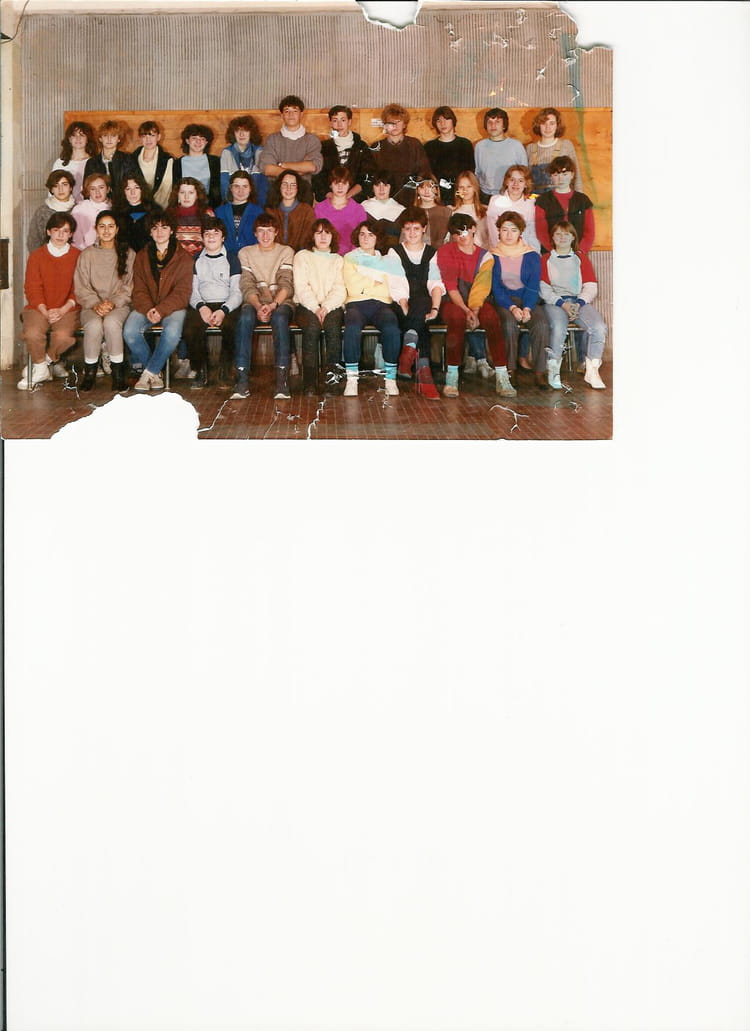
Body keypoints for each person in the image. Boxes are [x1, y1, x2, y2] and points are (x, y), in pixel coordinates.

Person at [436, 213, 515, 398]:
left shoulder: (485, 256)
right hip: (453, 301)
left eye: (464, 230)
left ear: (473, 228)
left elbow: (481, 287)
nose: (461, 236)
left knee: (492, 318)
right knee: (456, 319)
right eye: (457, 233)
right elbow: (451, 286)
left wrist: (475, 310)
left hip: (477, 301)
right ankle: (452, 377)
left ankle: (502, 376)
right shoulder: (445, 251)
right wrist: (466, 311)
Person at [468, 210, 550, 390]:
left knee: (541, 324)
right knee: (508, 324)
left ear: (520, 232)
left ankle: (540, 372)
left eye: (513, 230)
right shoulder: (492, 255)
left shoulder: (532, 255)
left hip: (528, 299)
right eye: (504, 229)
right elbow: (496, 288)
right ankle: (510, 371)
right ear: (498, 231)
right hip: (504, 300)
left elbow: (533, 286)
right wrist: (512, 307)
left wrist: (527, 308)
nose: (509, 234)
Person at [122, 211, 193, 393]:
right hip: (146, 306)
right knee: (130, 332)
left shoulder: (184, 257)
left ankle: (149, 373)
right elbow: (138, 289)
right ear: (150, 232)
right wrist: (148, 308)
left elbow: (183, 292)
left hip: (173, 307)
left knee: (172, 333)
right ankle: (155, 373)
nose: (159, 232)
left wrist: (161, 309)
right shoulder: (142, 256)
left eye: (164, 227)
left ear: (172, 231)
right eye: (155, 228)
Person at [232, 213, 295, 400]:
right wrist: (259, 306)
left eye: (269, 231)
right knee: (245, 318)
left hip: (281, 302)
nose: (265, 235)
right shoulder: (246, 253)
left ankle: (282, 381)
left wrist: (273, 305)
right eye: (261, 231)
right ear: (255, 233)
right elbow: (247, 284)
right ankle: (242, 380)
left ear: (276, 232)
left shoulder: (286, 251)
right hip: (255, 302)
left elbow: (287, 284)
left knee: (280, 318)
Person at [72, 209, 135, 392]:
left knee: (111, 323)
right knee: (93, 325)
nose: (106, 231)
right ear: (96, 229)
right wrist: (95, 304)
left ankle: (118, 374)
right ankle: (90, 373)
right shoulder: (87, 255)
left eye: (111, 226)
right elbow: (81, 286)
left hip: (119, 305)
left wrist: (113, 303)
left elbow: (129, 286)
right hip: (91, 306)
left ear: (117, 229)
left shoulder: (128, 253)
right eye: (102, 227)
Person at [539, 220, 606, 389]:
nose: (562, 237)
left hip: (578, 300)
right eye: (558, 234)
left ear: (573, 237)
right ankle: (554, 369)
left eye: (566, 234)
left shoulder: (580, 259)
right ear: (552, 237)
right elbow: (543, 289)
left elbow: (591, 286)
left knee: (599, 327)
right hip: (555, 302)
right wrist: (563, 304)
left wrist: (579, 303)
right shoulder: (545, 259)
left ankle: (592, 370)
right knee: (558, 327)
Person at [18, 211, 81, 389]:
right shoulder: (37, 256)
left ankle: (43, 364)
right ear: (48, 232)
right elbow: (32, 287)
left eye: (65, 231)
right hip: (39, 307)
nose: (60, 235)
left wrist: (62, 310)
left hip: (68, 308)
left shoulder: (78, 255)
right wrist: (44, 310)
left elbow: (79, 288)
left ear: (71, 234)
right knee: (32, 333)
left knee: (62, 337)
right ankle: (40, 367)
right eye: (56, 230)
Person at [341, 218, 403, 397]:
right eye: (362, 234)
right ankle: (352, 379)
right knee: (352, 327)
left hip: (381, 304)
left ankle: (390, 379)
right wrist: (376, 281)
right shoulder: (350, 258)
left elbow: (388, 288)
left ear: (377, 238)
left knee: (392, 328)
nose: (366, 238)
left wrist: (367, 281)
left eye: (370, 235)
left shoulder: (386, 260)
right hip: (356, 303)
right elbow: (352, 285)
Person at [388, 207, 443, 400]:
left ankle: (408, 354)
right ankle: (424, 375)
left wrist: (435, 309)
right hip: (400, 303)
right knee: (421, 323)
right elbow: (397, 284)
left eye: (416, 228)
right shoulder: (395, 252)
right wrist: (407, 309)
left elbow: (435, 284)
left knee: (423, 302)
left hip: (425, 304)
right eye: (408, 228)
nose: (412, 233)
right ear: (403, 230)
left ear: (424, 229)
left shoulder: (432, 253)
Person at [182, 218, 243, 389]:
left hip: (226, 304)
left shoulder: (232, 259)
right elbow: (192, 291)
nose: (211, 237)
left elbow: (237, 292)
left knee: (232, 327)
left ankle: (225, 371)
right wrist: (201, 307)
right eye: (207, 234)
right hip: (202, 304)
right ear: (202, 238)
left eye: (216, 233)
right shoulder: (195, 260)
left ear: (223, 237)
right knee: (190, 328)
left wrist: (224, 310)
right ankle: (200, 370)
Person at [292, 218, 347, 396]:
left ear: (332, 236)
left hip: (332, 306)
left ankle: (332, 383)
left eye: (327, 233)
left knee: (333, 328)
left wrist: (326, 307)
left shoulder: (338, 259)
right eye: (318, 233)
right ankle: (309, 383)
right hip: (306, 305)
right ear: (312, 236)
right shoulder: (302, 256)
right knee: (312, 327)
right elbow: (301, 287)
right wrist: (315, 308)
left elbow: (340, 288)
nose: (323, 237)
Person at [259, 95, 323, 204]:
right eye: (287, 111)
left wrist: (282, 165)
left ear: (301, 114)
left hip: (303, 189)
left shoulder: (312, 140)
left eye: (295, 111)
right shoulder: (272, 139)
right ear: (281, 115)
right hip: (277, 189)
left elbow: (312, 166)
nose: (291, 114)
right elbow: (267, 168)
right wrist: (297, 171)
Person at [369, 103, 432, 204]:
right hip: (384, 200)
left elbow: (424, 172)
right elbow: (371, 176)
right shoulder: (376, 147)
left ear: (404, 124)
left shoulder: (414, 145)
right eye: (390, 122)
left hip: (411, 198)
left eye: (398, 122)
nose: (394, 125)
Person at [312, 105, 376, 203]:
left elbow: (368, 175)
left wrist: (349, 195)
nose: (339, 124)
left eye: (343, 120)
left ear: (349, 121)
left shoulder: (361, 146)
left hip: (356, 200)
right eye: (335, 120)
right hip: (329, 200)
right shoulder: (323, 147)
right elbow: (317, 177)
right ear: (330, 123)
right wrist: (331, 196)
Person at [535, 156, 595, 255]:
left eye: (565, 174)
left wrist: (580, 251)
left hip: (578, 254)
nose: (560, 178)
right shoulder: (543, 200)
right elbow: (541, 232)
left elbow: (589, 232)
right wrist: (554, 251)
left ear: (572, 175)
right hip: (551, 254)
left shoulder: (583, 200)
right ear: (551, 176)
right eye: (556, 175)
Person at [473, 108, 527, 204]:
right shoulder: (479, 146)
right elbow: (477, 172)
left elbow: (525, 174)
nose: (493, 125)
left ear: (504, 125)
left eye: (497, 122)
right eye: (489, 122)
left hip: (509, 194)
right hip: (485, 196)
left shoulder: (516, 146)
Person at [423, 106, 475, 205]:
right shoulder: (429, 147)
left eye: (446, 119)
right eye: (438, 120)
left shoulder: (465, 144)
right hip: (437, 197)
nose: (443, 123)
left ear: (453, 121)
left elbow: (470, 173)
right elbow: (427, 175)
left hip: (461, 196)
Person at [313, 167, 367, 256]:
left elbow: (362, 237)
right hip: (324, 255)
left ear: (349, 185)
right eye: (336, 183)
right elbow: (314, 236)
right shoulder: (319, 208)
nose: (340, 187)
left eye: (344, 183)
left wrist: (351, 257)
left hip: (351, 257)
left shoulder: (358, 210)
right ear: (331, 184)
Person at [486, 165, 540, 251]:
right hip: (500, 250)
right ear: (506, 182)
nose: (516, 184)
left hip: (523, 250)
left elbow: (532, 234)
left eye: (520, 180)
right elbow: (493, 233)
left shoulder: (531, 204)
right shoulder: (495, 201)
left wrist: (533, 252)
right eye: (512, 180)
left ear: (526, 184)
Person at [526, 107, 579, 194]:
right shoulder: (530, 148)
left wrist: (579, 198)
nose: (548, 128)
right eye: (544, 123)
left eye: (552, 123)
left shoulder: (566, 145)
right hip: (537, 198)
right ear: (538, 125)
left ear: (557, 125)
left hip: (561, 197)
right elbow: (526, 179)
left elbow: (577, 176)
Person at [220, 114, 267, 207]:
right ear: (233, 134)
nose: (241, 134)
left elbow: (262, 185)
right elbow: (225, 185)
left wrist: (259, 208)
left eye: (245, 130)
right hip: (234, 203)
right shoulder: (227, 153)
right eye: (237, 131)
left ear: (251, 133)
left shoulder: (260, 152)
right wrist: (231, 207)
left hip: (256, 204)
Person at [214, 170, 264, 257]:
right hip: (225, 257)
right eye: (236, 186)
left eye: (245, 186)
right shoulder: (219, 212)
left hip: (252, 257)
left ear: (250, 188)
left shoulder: (258, 212)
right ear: (230, 188)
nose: (241, 191)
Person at [173, 123, 222, 210]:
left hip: (210, 207)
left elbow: (217, 190)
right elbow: (175, 190)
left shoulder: (215, 161)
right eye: (194, 138)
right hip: (185, 207)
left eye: (202, 139)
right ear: (187, 141)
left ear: (206, 142)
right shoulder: (177, 163)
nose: (198, 142)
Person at [265, 169, 316, 252]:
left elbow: (308, 240)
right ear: (279, 186)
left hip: (300, 256)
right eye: (285, 184)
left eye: (293, 185)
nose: (288, 188)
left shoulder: (307, 211)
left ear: (298, 188)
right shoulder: (270, 211)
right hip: (274, 255)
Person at [83, 119, 137, 197]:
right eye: (105, 135)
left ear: (119, 139)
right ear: (100, 139)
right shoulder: (92, 162)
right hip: (98, 202)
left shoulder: (128, 159)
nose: (109, 139)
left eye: (113, 136)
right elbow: (87, 189)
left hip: (123, 201)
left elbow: (136, 185)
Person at [27, 169, 76, 253]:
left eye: (64, 185)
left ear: (71, 188)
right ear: (51, 189)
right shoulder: (42, 212)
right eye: (56, 186)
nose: (60, 189)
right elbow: (33, 241)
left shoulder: (78, 210)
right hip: (46, 257)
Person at [112, 175, 162, 254]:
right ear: (123, 192)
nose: (133, 192)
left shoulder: (155, 210)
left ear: (142, 189)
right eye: (128, 189)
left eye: (136, 188)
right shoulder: (116, 212)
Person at [166, 177, 214, 257]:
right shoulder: (169, 213)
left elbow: (212, 240)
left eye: (191, 193)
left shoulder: (207, 214)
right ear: (177, 195)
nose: (186, 197)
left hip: (201, 258)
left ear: (197, 195)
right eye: (182, 192)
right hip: (175, 259)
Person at [132, 121, 174, 209]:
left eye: (152, 135)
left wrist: (156, 209)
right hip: (138, 207)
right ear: (140, 138)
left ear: (158, 137)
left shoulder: (168, 160)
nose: (148, 140)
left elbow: (166, 188)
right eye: (144, 136)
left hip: (160, 207)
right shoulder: (132, 159)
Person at [51, 121, 97, 202]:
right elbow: (52, 188)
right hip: (64, 206)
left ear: (87, 139)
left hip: (89, 205)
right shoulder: (60, 163)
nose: (78, 138)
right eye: (74, 135)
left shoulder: (95, 162)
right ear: (69, 139)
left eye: (82, 135)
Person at [361, 172, 405, 247]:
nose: (381, 189)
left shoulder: (401, 210)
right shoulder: (363, 207)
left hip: (393, 252)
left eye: (385, 185)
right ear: (372, 187)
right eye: (377, 185)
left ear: (391, 187)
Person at [450, 170, 490, 249]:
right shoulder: (452, 211)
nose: (465, 190)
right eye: (461, 187)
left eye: (469, 186)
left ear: (475, 188)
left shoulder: (486, 210)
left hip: (482, 252)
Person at [71, 173, 111, 250]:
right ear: (88, 191)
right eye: (93, 189)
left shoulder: (114, 208)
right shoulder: (79, 209)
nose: (97, 192)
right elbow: (76, 240)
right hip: (86, 252)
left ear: (108, 189)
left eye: (101, 187)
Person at [413, 174, 451, 249]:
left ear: (436, 190)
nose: (426, 192)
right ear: (417, 190)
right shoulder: (411, 212)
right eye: (422, 187)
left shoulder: (446, 212)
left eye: (430, 187)